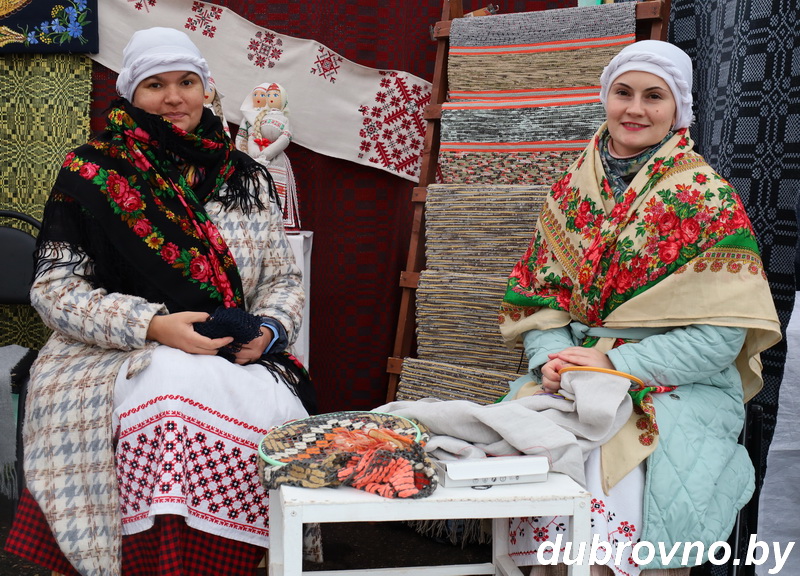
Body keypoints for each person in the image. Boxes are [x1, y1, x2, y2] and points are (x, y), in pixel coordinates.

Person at [5, 27, 316, 576]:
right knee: (171, 392)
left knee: (275, 412)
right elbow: (54, 290)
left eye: (186, 82)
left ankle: (239, 560)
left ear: (206, 88)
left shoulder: (246, 178)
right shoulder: (92, 172)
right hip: (111, 354)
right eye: (155, 85)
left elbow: (283, 281)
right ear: (130, 94)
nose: (174, 98)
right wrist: (153, 325)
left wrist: (268, 331)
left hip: (234, 352)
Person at [497, 40, 781, 574]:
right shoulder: (571, 192)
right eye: (623, 93)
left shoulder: (707, 199)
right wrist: (555, 361)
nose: (635, 109)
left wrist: (611, 364)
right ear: (605, 98)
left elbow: (719, 340)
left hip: (676, 384)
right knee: (529, 445)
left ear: (678, 110)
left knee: (616, 460)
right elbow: (541, 305)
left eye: (654, 96)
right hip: (572, 372)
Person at [236, 82, 301, 228]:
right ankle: (257, 221)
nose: (271, 98)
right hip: (258, 158)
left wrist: (267, 153)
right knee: (257, 188)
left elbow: (285, 138)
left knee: (276, 188)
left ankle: (278, 223)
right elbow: (252, 135)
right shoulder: (260, 117)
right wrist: (254, 153)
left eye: (276, 95)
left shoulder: (285, 120)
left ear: (283, 99)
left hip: (276, 159)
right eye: (269, 95)